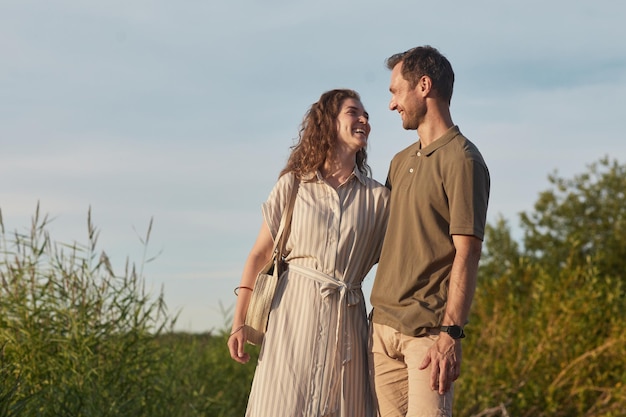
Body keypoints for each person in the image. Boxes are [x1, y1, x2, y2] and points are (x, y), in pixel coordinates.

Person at [227, 88, 390, 417]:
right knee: (282, 406)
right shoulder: (293, 186)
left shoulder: (379, 200)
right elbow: (259, 255)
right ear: (329, 122)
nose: (364, 120)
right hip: (292, 320)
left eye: (367, 116)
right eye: (353, 112)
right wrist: (239, 320)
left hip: (349, 325)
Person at [369, 46, 490, 416]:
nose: (391, 105)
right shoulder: (399, 160)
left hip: (428, 339)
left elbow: (467, 253)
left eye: (395, 91)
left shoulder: (463, 161)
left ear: (424, 85)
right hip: (380, 333)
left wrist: (450, 334)